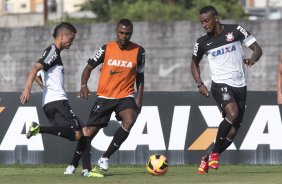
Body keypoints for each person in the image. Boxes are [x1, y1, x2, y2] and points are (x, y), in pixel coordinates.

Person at [64, 18, 145, 177]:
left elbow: (140, 77)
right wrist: (83, 85)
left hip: (125, 96)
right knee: (88, 132)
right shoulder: (106, 48)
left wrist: (139, 98)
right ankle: (73, 163)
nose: (124, 36)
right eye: (121, 33)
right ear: (116, 32)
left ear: (131, 34)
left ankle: (104, 157)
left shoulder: (139, 51)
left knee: (130, 119)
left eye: (127, 34)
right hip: (105, 97)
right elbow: (88, 67)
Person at [191, 6, 262, 174]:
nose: (205, 25)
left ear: (216, 18)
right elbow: (194, 63)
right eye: (202, 22)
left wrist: (252, 59)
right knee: (232, 114)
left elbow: (257, 49)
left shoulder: (236, 30)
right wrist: (199, 83)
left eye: (207, 20)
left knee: (234, 130)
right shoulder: (202, 42)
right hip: (219, 84)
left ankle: (207, 157)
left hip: (240, 85)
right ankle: (215, 153)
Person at [20, 22, 83, 144]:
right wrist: (27, 89)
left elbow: (38, 75)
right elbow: (34, 69)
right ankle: (38, 128)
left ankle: (75, 164)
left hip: (51, 102)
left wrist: (45, 87)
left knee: (84, 131)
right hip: (57, 101)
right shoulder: (53, 51)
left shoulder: (53, 52)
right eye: (71, 39)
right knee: (77, 134)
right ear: (62, 36)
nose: (72, 42)